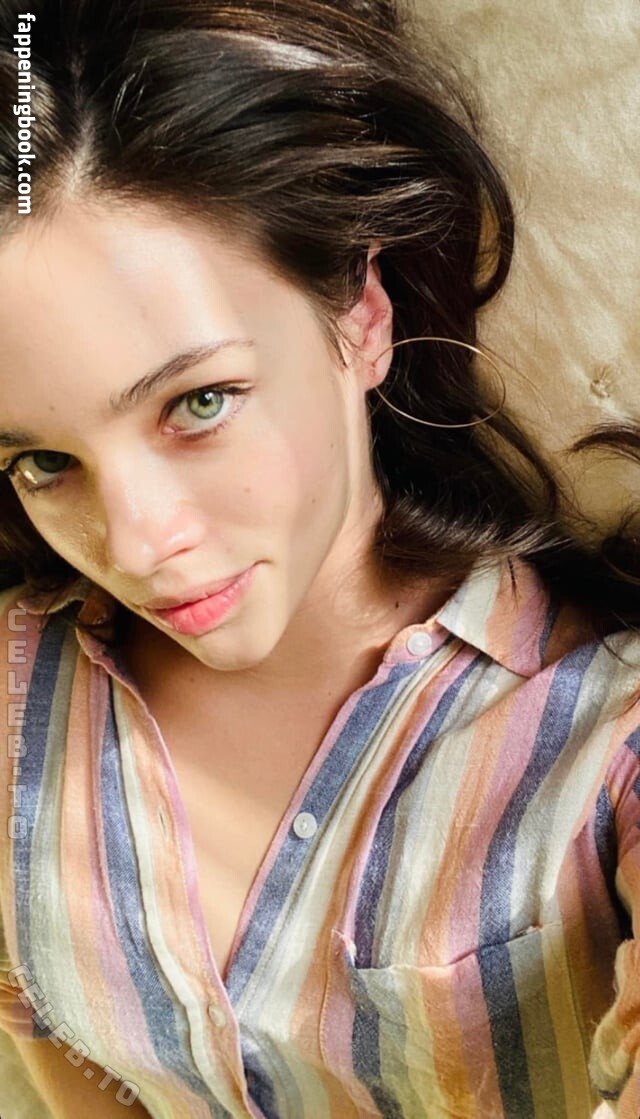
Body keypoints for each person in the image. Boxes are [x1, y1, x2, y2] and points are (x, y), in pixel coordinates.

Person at [1, 1, 640, 1116]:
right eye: (44, 462)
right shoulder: (16, 703)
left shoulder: (605, 729)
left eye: (200, 403)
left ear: (361, 316)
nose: (138, 543)